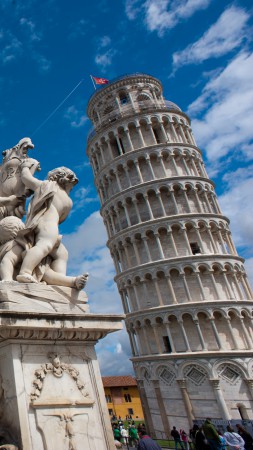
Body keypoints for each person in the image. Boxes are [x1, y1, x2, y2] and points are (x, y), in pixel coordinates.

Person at [16, 165, 79, 284]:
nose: (72, 186)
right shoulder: (48, 186)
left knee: (62, 253)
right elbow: (26, 178)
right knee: (45, 245)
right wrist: (25, 166)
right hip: (46, 223)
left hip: (53, 226)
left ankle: (59, 279)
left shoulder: (66, 198)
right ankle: (25, 272)